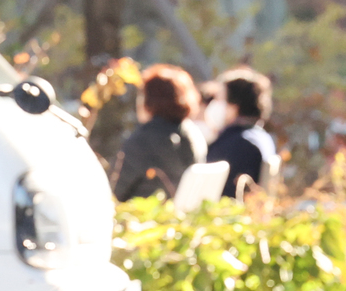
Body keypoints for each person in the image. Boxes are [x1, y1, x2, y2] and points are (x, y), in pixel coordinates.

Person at [114, 64, 208, 201]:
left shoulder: (142, 141)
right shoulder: (193, 133)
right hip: (184, 217)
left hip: (144, 218)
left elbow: (113, 192)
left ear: (148, 99)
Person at [207, 68, 279, 198]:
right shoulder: (260, 137)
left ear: (235, 105)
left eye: (219, 99)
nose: (214, 105)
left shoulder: (238, 145)